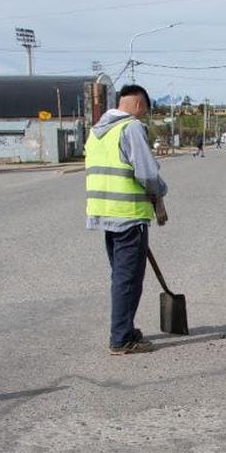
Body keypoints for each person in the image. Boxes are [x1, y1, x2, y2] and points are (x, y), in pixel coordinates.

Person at [85, 83, 168, 355]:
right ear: (139, 105)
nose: (142, 117)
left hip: (105, 214)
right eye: (144, 112)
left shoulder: (97, 132)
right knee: (128, 279)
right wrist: (160, 193)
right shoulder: (130, 127)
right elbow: (145, 173)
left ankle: (126, 329)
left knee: (122, 277)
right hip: (129, 216)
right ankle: (121, 339)